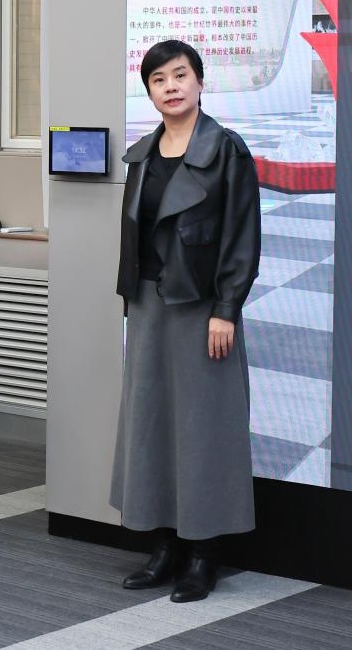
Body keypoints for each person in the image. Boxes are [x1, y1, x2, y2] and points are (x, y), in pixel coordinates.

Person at [112, 39, 261, 603]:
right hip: (150, 305)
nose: (170, 87)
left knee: (204, 431)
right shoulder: (142, 154)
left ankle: (203, 554)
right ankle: (164, 547)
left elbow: (242, 236)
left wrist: (227, 309)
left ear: (200, 81)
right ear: (149, 91)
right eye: (158, 80)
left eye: (180, 75)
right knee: (152, 426)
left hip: (202, 308)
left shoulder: (227, 150)